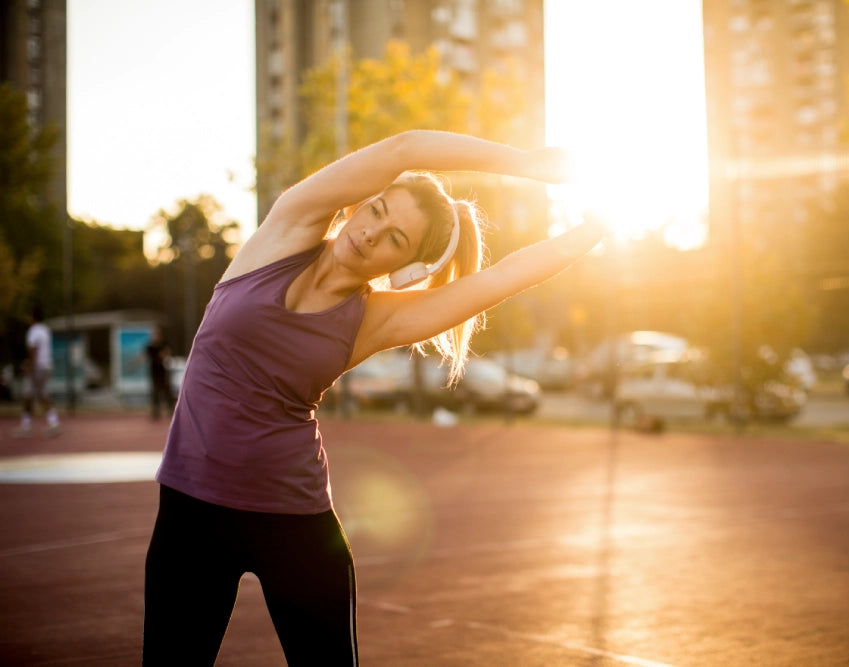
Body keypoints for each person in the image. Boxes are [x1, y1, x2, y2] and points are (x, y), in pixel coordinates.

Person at [142, 130, 610, 665]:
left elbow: (501, 278)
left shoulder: (376, 320)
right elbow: (404, 150)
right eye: (377, 211)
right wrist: (525, 162)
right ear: (361, 201)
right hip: (190, 512)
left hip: (295, 523)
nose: (370, 234)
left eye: (394, 239)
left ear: (408, 269)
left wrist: (594, 230)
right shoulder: (289, 225)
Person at [15, 304, 60, 437]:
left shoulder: (33, 331)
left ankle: (26, 426)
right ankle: (54, 423)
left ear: (33, 317)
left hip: (37, 366)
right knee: (42, 394)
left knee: (28, 395)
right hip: (46, 365)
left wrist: (29, 367)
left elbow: (33, 350)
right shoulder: (45, 330)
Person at [145, 326, 174, 420]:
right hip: (154, 372)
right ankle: (156, 412)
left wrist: (163, 354)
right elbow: (145, 356)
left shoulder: (164, 344)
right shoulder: (150, 346)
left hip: (163, 371)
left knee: (166, 391)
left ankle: (171, 409)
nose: (156, 336)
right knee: (155, 392)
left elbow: (167, 353)